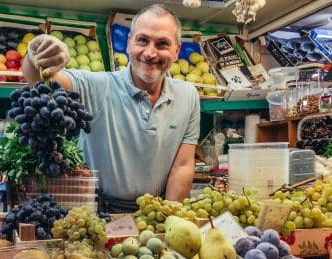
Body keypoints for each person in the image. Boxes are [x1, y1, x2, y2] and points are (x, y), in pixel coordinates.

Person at [23, 4, 200, 212]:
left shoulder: (188, 95)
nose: (150, 53)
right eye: (142, 40)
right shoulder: (98, 86)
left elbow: (183, 166)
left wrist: (172, 218)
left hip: (155, 211)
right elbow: (39, 81)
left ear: (177, 51)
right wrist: (36, 53)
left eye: (162, 44)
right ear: (128, 44)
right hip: (96, 211)